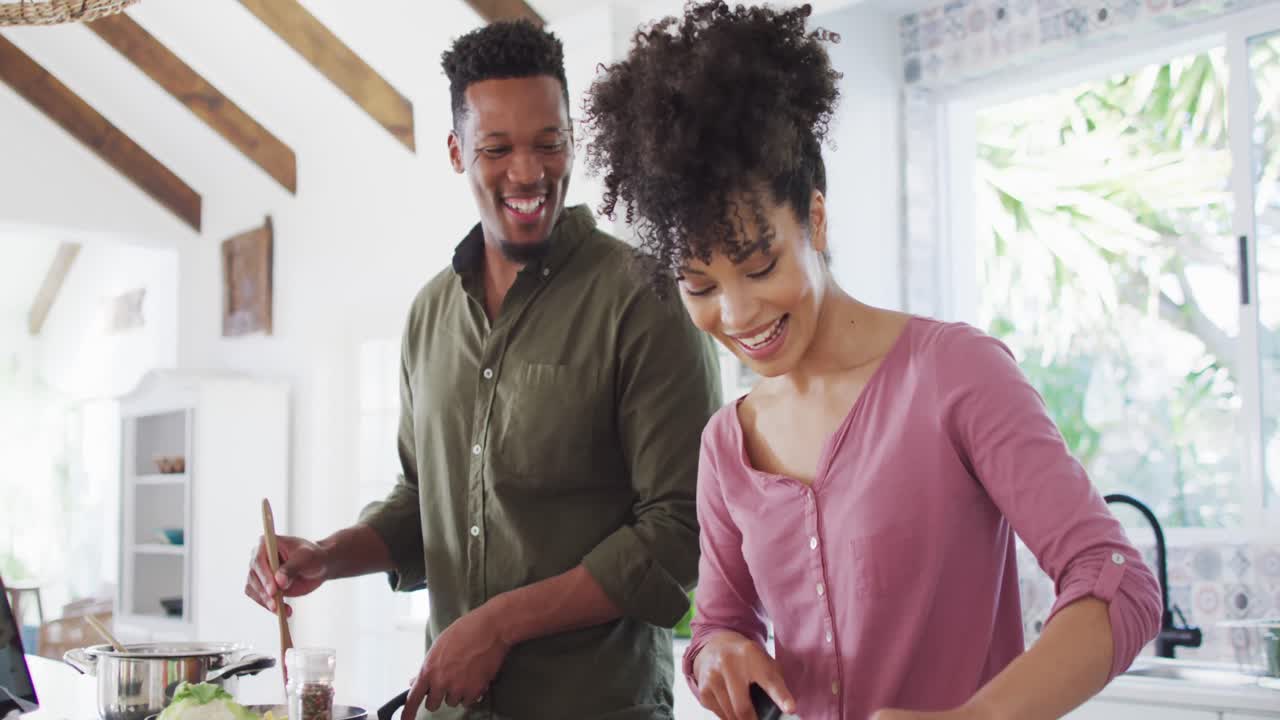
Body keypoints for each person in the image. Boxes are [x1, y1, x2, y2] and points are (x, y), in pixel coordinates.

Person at [582, 3, 1163, 719]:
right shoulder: (724, 447)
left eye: (760, 266)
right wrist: (721, 653)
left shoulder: (955, 374)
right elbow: (718, 628)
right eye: (699, 285)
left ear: (815, 220)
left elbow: (1116, 580)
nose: (735, 315)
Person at [244, 19, 721, 720]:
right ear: (456, 151)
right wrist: (326, 554)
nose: (527, 173)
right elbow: (424, 498)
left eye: (548, 144)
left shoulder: (644, 300)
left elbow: (680, 530)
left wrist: (497, 625)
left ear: (572, 140)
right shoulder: (429, 315)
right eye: (496, 148)